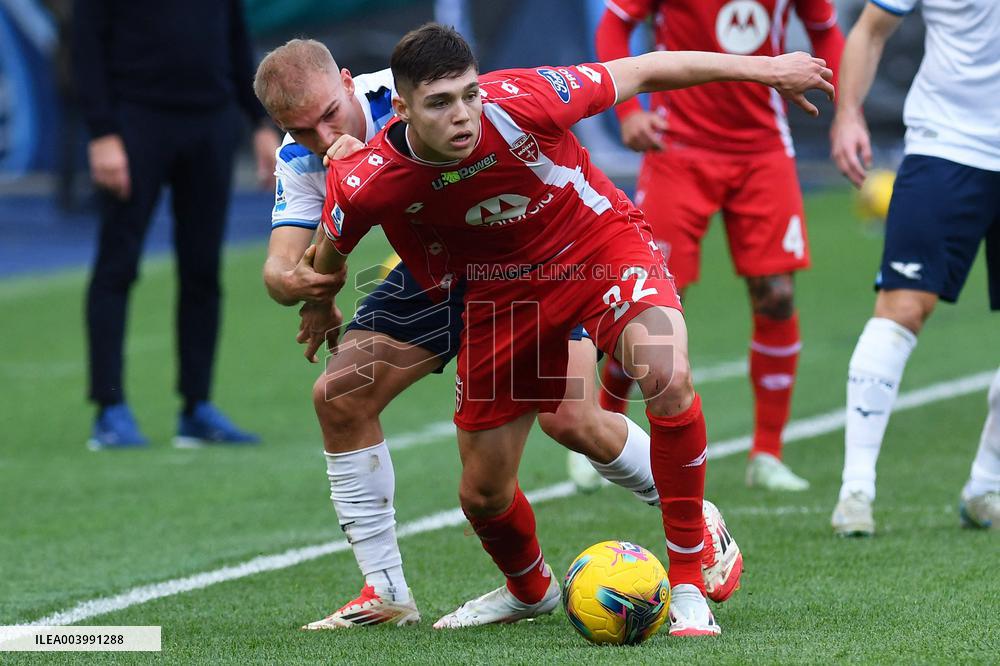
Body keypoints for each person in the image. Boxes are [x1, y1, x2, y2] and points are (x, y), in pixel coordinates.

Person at [307, 24, 831, 634]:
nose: (464, 116)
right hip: (500, 295)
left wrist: (769, 70)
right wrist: (320, 304)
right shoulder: (365, 176)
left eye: (470, 95)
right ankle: (530, 592)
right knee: (482, 494)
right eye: (440, 103)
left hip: (597, 247)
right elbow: (331, 248)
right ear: (401, 109)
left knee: (665, 375)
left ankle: (688, 582)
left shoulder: (528, 98)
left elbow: (647, 68)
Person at [594, 0, 845, 492]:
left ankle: (767, 453)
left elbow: (827, 34)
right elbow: (612, 29)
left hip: (763, 151)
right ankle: (605, 429)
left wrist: (846, 109)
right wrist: (627, 113)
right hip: (677, 150)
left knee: (777, 296)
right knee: (652, 307)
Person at [73, 0, 280, 449]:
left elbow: (234, 36)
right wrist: (102, 132)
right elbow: (85, 43)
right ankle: (109, 410)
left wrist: (259, 122)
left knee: (203, 270)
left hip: (211, 122)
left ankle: (197, 408)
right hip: (135, 121)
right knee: (117, 265)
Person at [828, 0, 1000, 535]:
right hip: (946, 146)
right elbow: (870, 29)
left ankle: (986, 486)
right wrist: (849, 113)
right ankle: (855, 491)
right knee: (902, 308)